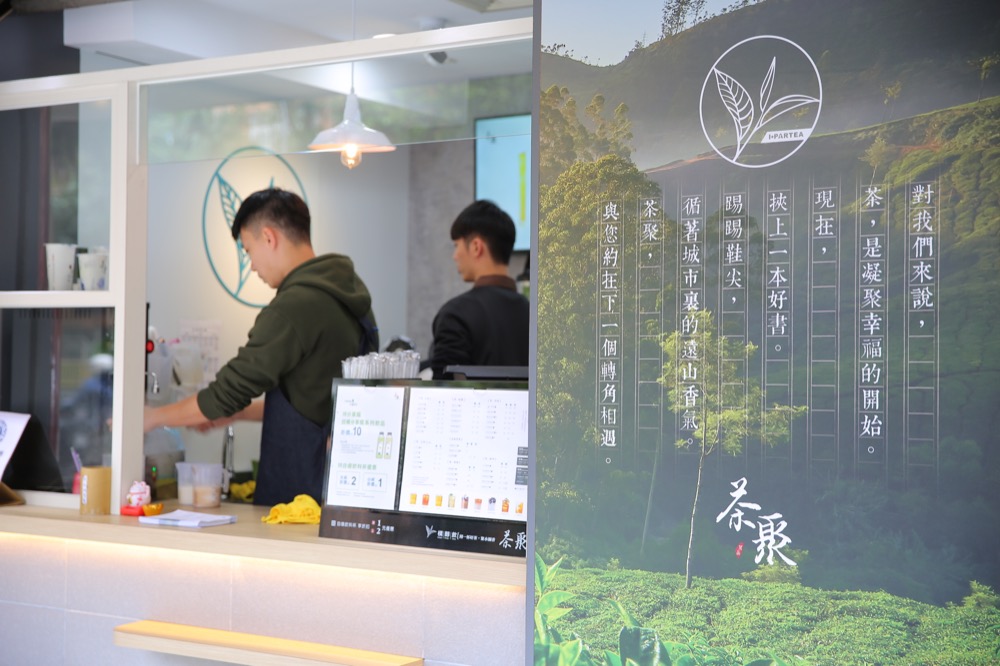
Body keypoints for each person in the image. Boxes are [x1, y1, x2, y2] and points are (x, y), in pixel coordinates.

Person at [143, 188, 377, 506]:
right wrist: (239, 414)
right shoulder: (351, 296)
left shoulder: (294, 306)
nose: (252, 266)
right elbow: (313, 403)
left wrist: (151, 418)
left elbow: (227, 391)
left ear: (269, 237)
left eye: (248, 250)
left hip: (298, 501)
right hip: (343, 494)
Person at [425, 199, 530, 379]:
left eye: (456, 245)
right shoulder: (534, 314)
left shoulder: (455, 315)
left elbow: (444, 390)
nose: (455, 256)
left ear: (476, 247)